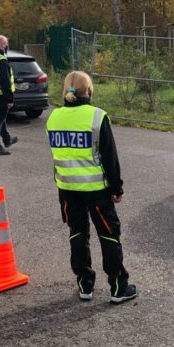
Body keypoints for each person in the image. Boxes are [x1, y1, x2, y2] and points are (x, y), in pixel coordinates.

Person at [45, 71, 137, 304]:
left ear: (66, 90)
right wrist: (117, 188)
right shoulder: (97, 117)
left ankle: (85, 284)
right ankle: (118, 287)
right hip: (97, 191)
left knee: (77, 234)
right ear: (90, 90)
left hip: (67, 189)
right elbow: (110, 157)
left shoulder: (53, 117)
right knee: (109, 236)